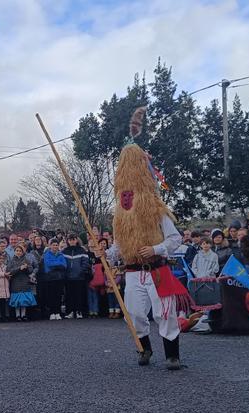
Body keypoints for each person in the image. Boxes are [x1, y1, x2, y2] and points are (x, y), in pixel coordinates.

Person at [99, 107, 190, 370]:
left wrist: (156, 248)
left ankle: (172, 355)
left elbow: (175, 239)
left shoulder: (156, 208)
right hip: (131, 273)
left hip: (158, 269)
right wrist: (106, 254)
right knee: (136, 314)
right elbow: (118, 245)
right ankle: (145, 350)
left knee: (165, 312)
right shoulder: (120, 215)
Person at [62, 234, 90, 319]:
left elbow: (85, 263)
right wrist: (66, 273)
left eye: (74, 239)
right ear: (68, 241)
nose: (72, 241)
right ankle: (70, 311)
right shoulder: (64, 251)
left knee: (79, 295)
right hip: (68, 277)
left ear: (76, 240)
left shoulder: (82, 250)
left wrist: (80, 271)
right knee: (69, 295)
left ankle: (79, 311)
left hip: (79, 277)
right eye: (70, 240)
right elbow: (62, 263)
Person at [7, 245, 38, 321]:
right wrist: (19, 268)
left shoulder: (26, 260)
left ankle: (23, 315)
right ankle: (17, 315)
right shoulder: (11, 261)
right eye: (17, 251)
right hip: (15, 282)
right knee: (17, 301)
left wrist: (26, 268)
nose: (18, 252)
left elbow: (30, 270)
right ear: (14, 252)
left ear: (22, 252)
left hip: (25, 282)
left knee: (24, 301)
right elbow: (9, 271)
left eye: (20, 251)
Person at [41, 239, 67, 320]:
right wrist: (58, 264)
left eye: (56, 245)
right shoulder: (46, 254)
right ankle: (52, 313)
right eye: (53, 245)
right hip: (50, 278)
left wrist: (56, 265)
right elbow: (48, 264)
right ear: (50, 246)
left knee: (58, 296)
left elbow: (64, 265)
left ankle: (58, 312)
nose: (55, 246)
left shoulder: (61, 254)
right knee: (51, 296)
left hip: (59, 278)